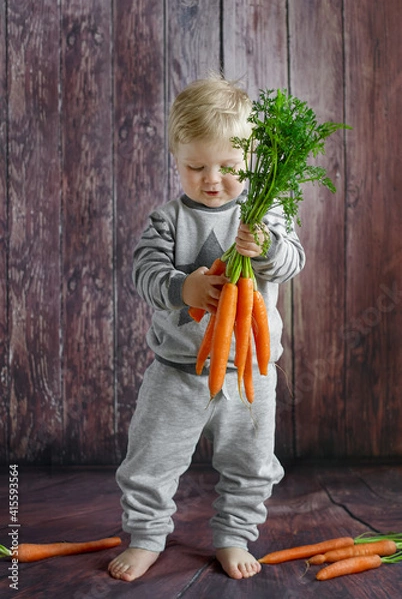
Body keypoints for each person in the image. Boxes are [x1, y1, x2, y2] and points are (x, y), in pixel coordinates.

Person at [108, 75, 306, 582]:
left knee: (252, 464)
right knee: (150, 459)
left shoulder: (266, 215)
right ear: (177, 159)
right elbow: (144, 274)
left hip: (252, 373)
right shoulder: (167, 221)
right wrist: (183, 289)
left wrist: (267, 250)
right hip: (176, 370)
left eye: (228, 167)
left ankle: (234, 535)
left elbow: (292, 262)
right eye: (196, 166)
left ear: (252, 163)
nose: (212, 178)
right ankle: (148, 535)